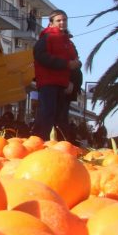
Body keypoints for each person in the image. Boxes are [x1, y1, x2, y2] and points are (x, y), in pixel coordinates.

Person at [32, 9, 81, 141]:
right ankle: (39, 142)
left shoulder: (68, 41)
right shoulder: (47, 37)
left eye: (64, 20)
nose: (62, 23)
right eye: (58, 20)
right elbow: (40, 56)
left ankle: (60, 144)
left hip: (63, 84)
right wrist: (65, 64)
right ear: (51, 23)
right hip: (48, 82)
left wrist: (73, 81)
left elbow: (75, 61)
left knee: (61, 117)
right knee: (47, 113)